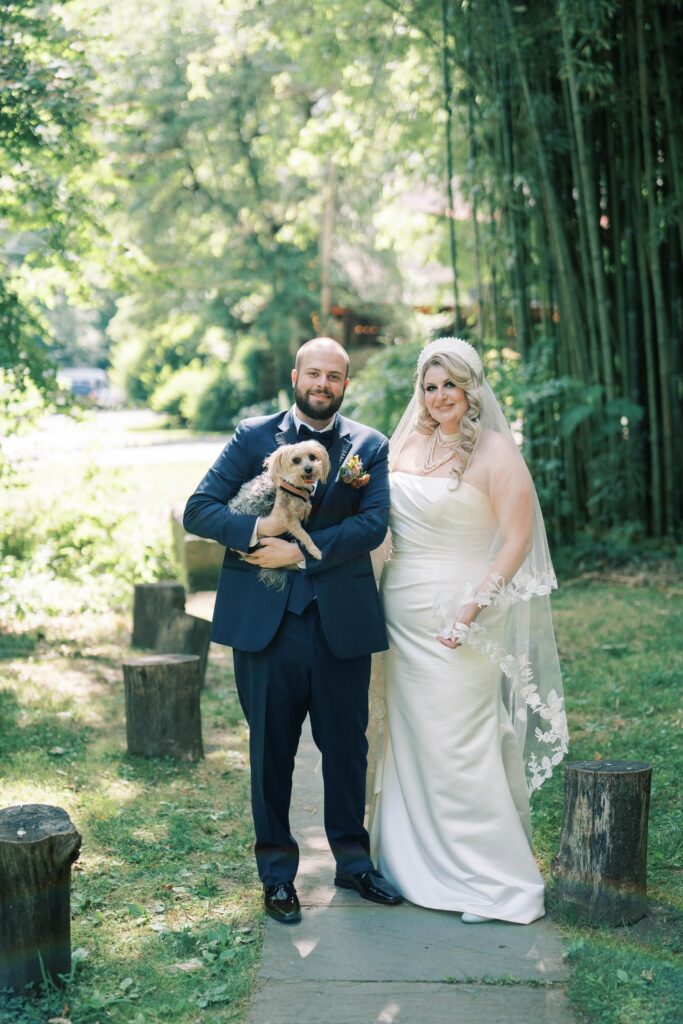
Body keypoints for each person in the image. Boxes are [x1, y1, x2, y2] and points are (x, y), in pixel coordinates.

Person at [183, 337, 402, 924]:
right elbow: (198, 510)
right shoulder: (253, 436)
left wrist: (300, 556)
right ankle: (278, 876)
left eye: (334, 375)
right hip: (267, 626)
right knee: (270, 753)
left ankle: (354, 865)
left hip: (340, 622)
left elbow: (372, 525)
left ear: (345, 384)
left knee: (346, 750)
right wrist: (262, 532)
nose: (322, 383)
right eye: (313, 373)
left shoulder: (368, 447)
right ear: (295, 375)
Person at [368, 336, 568, 924]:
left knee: (461, 740)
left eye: (449, 385)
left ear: (471, 387)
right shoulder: (403, 443)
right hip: (398, 612)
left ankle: (491, 874)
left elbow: (516, 541)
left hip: (463, 616)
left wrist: (471, 611)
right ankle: (411, 864)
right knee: (410, 739)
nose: (437, 398)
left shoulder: (498, 453)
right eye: (429, 388)